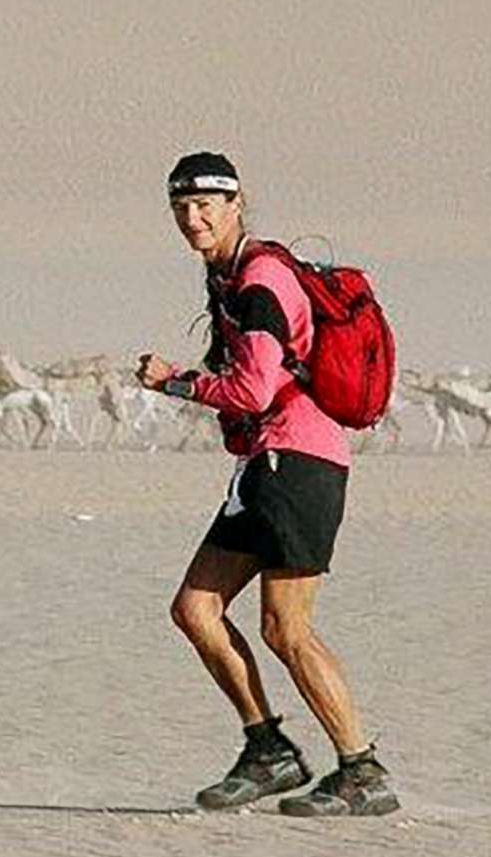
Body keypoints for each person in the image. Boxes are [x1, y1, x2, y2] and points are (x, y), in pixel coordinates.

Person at [136, 151, 398, 818]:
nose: (192, 219)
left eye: (205, 206)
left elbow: (252, 389)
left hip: (299, 463)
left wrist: (174, 381)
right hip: (265, 465)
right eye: (180, 208)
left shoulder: (260, 281)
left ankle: (361, 769)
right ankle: (268, 749)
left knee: (287, 630)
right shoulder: (225, 277)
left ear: (235, 205)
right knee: (195, 610)